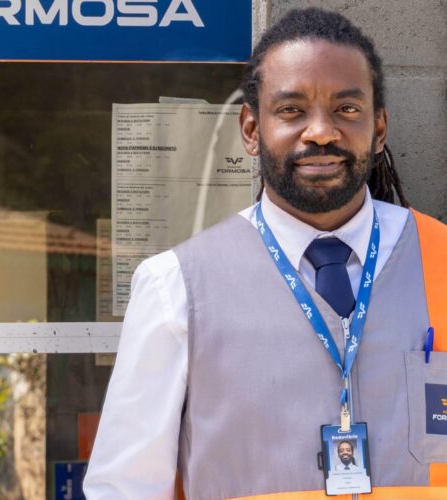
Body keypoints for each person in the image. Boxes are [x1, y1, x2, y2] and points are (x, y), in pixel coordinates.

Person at [84, 8, 447, 500]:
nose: (321, 132)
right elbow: (124, 489)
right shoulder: (177, 286)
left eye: (347, 109)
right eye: (292, 110)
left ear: (378, 128)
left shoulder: (440, 258)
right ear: (252, 130)